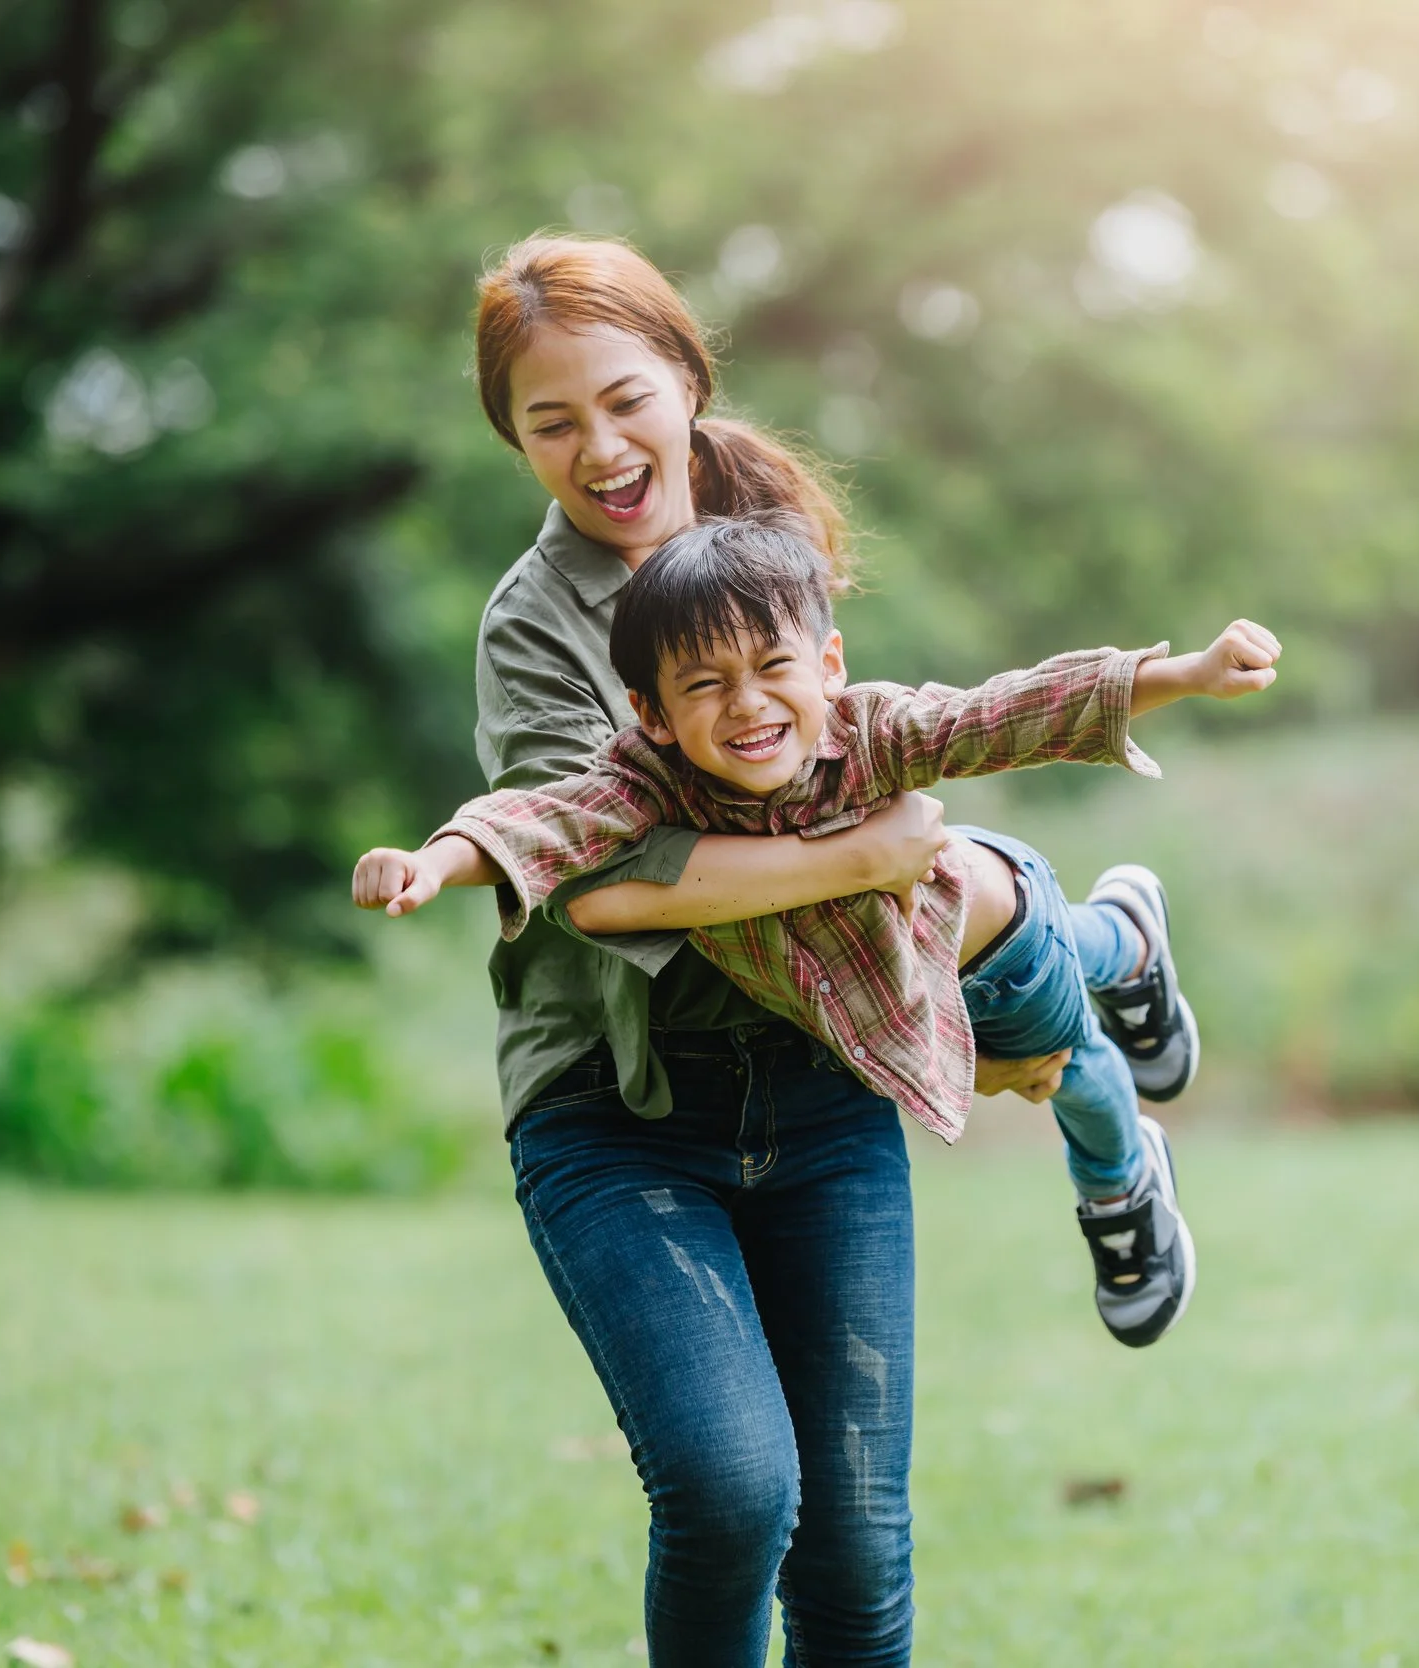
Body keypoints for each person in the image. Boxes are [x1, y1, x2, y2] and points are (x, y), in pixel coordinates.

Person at [374, 231, 1196, 1667]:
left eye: (624, 399)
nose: (600, 449)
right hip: (622, 1111)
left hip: (817, 1088)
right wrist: (855, 862)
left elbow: (910, 732)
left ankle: (1106, 994)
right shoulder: (536, 626)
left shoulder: (764, 532)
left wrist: (1146, 685)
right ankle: (1108, 969)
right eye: (549, 423)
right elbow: (601, 862)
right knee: (733, 1489)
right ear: (511, 440)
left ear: (685, 379)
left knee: (859, 1554)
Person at [358, 515, 1281, 1343]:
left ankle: (1122, 1181)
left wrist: (1187, 674)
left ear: (828, 664)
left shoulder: (872, 730)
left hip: (991, 944)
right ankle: (1127, 935)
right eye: (706, 685)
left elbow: (1007, 712)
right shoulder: (645, 785)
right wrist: (431, 862)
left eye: (772, 668)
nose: (748, 703)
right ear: (651, 712)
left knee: (1071, 1066)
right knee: (1082, 971)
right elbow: (541, 821)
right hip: (918, 966)